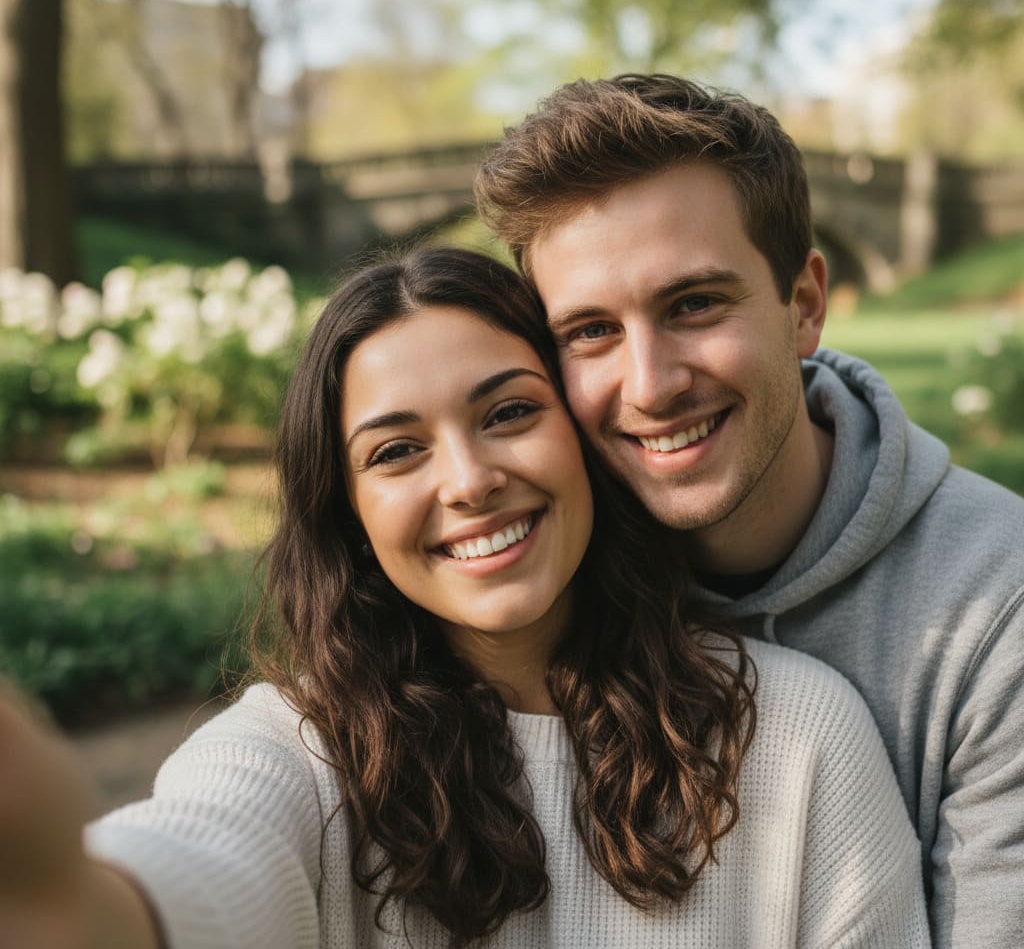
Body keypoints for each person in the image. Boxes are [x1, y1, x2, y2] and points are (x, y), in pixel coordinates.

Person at [1, 246, 929, 948]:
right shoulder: (298, 756)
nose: (470, 479)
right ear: (349, 510)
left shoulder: (799, 736)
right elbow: (206, 855)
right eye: (396, 450)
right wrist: (74, 897)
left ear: (584, 433)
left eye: (510, 412)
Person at [473, 73, 1024, 949]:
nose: (650, 386)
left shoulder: (1000, 608)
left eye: (693, 304)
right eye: (590, 332)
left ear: (803, 305)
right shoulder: (522, 572)